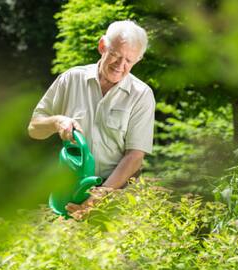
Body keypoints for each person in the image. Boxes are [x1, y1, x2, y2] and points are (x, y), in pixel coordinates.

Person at [28, 20, 155, 219]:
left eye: (129, 61)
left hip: (117, 197)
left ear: (138, 60)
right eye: (115, 55)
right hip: (69, 191)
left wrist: (100, 195)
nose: (120, 66)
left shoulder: (141, 95)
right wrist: (57, 122)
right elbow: (34, 128)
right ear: (102, 46)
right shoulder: (71, 79)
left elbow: (135, 156)